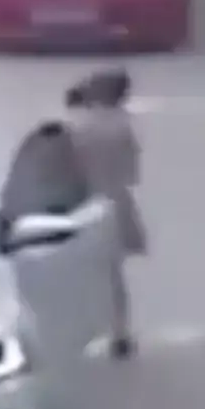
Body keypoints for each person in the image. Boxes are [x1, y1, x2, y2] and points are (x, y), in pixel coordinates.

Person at [64, 68, 146, 359]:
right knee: (112, 275)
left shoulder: (74, 126)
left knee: (73, 272)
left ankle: (74, 335)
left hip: (80, 204)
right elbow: (132, 174)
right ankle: (120, 334)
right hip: (115, 204)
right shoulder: (123, 127)